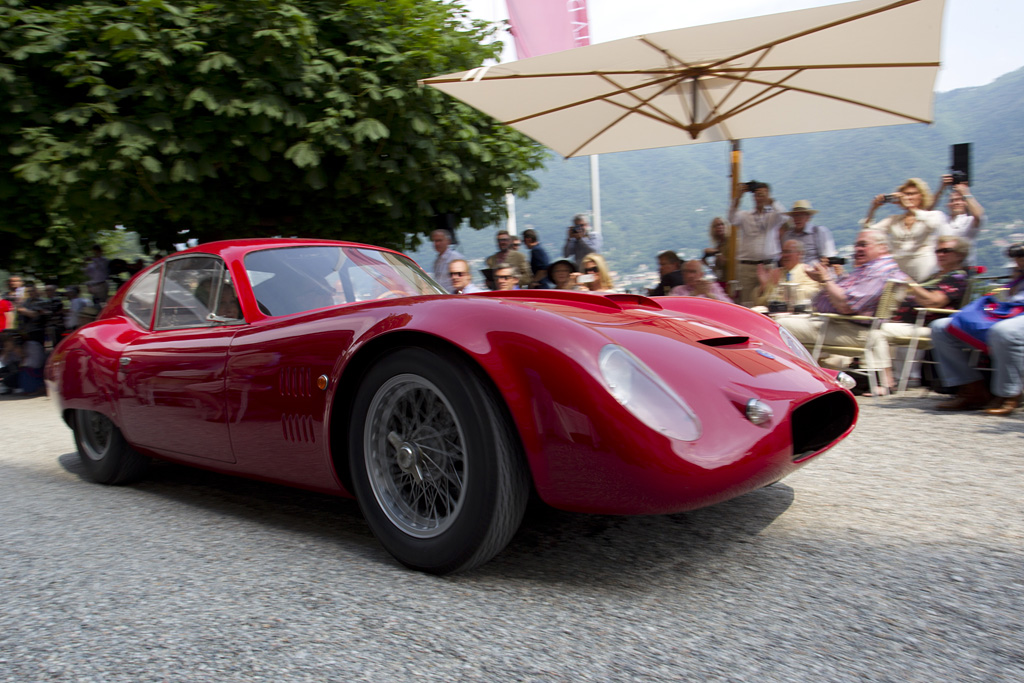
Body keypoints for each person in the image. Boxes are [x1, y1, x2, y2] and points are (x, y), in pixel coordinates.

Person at [777, 229, 909, 395]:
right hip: (848, 324)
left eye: (863, 245)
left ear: (882, 247)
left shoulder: (877, 270)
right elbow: (846, 294)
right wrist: (824, 280)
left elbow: (846, 305)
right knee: (793, 321)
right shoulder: (875, 267)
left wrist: (826, 279)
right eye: (856, 245)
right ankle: (805, 377)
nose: (857, 249)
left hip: (848, 327)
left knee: (780, 324)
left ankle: (790, 379)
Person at [929, 243, 1024, 415]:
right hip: (1011, 310)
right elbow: (1008, 295)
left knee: (1004, 331)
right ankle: (971, 390)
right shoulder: (1019, 272)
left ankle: (1009, 394)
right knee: (941, 327)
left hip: (1015, 318)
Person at [880, 236, 970, 342]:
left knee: (875, 331)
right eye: (937, 251)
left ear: (960, 255)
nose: (940, 254)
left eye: (946, 251)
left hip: (924, 325)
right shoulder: (935, 276)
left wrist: (908, 282)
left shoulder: (957, 278)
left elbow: (934, 301)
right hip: (906, 322)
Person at [864, 178, 949, 282]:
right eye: (905, 195)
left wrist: (912, 208)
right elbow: (868, 233)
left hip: (924, 268)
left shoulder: (932, 215)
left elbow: (934, 225)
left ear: (921, 196)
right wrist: (873, 209)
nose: (908, 197)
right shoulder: (894, 220)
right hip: (900, 271)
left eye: (912, 194)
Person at [729, 182, 788, 306]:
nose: (759, 198)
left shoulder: (773, 216)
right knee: (747, 302)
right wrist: (738, 198)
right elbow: (731, 218)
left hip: (769, 265)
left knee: (770, 301)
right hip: (747, 266)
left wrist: (771, 202)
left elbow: (784, 217)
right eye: (757, 195)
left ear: (768, 195)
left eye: (762, 195)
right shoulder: (745, 215)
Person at [930, 174, 985, 263]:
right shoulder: (941, 218)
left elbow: (979, 215)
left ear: (966, 203)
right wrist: (941, 188)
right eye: (952, 200)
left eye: (960, 200)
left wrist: (966, 193)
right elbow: (926, 211)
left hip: (963, 266)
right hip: (942, 265)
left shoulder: (969, 221)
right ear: (948, 205)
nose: (956, 203)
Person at [753, 240, 821, 308]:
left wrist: (779, 287)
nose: (784, 255)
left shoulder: (807, 271)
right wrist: (764, 286)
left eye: (788, 252)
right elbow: (761, 303)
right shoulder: (777, 273)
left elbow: (811, 294)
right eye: (783, 252)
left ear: (799, 254)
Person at [779, 200, 837, 266]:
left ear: (808, 217)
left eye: (801, 215)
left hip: (813, 272)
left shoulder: (818, 232)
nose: (797, 219)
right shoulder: (787, 236)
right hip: (792, 274)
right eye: (795, 216)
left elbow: (828, 258)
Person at [430, 229, 464, 294]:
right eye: (434, 241)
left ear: (448, 241)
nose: (437, 244)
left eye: (439, 240)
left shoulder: (455, 257)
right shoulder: (437, 261)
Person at [702, 216, 733, 288]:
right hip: (722, 281)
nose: (720, 227)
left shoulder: (731, 243)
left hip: (730, 281)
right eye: (716, 225)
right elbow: (718, 271)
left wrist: (717, 252)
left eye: (722, 224)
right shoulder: (719, 245)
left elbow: (728, 263)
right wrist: (707, 263)